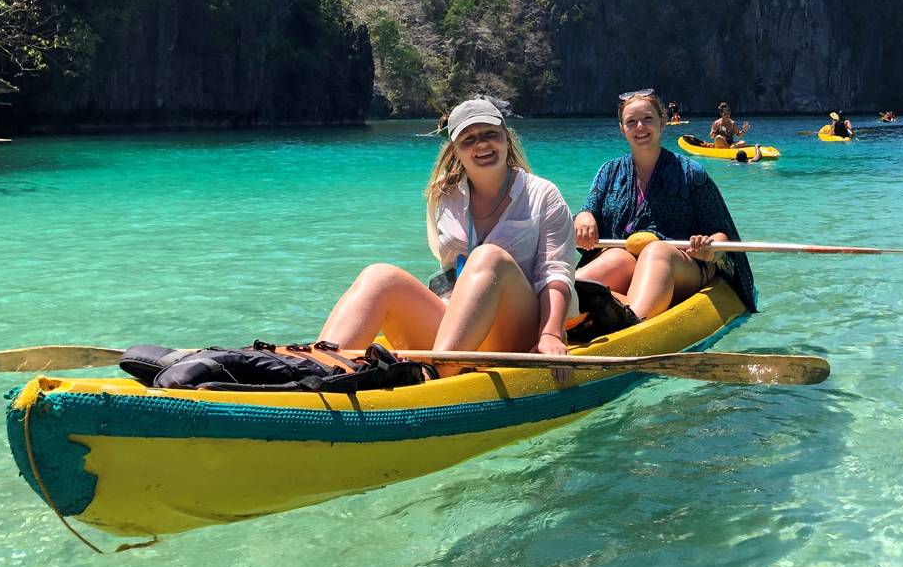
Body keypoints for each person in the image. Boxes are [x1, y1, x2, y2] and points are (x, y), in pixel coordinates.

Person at [316, 98, 578, 380]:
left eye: (491, 134)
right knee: (380, 276)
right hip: (459, 325)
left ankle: (437, 375)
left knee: (489, 256)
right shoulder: (444, 196)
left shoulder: (543, 194)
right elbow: (449, 269)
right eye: (469, 139)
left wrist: (550, 333)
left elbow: (555, 274)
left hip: (518, 329)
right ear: (455, 150)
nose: (482, 145)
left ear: (507, 137)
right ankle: (318, 368)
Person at [574, 89, 756, 321]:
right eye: (631, 122)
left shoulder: (692, 174)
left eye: (648, 119)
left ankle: (631, 320)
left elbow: (722, 235)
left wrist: (710, 249)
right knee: (615, 257)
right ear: (622, 129)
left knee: (656, 251)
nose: (640, 126)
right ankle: (566, 306)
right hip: (626, 260)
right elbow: (588, 211)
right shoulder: (608, 172)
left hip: (682, 265)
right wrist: (584, 218)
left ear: (662, 122)